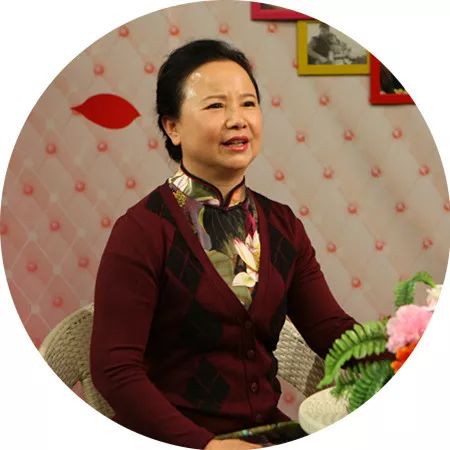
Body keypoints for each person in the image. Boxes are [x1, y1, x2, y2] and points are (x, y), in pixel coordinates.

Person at [90, 39, 357, 449]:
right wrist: (207, 445)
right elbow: (114, 368)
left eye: (248, 103)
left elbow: (330, 329)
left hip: (266, 434)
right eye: (216, 106)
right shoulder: (142, 230)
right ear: (172, 127)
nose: (238, 120)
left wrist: (400, 350)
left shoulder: (282, 224)